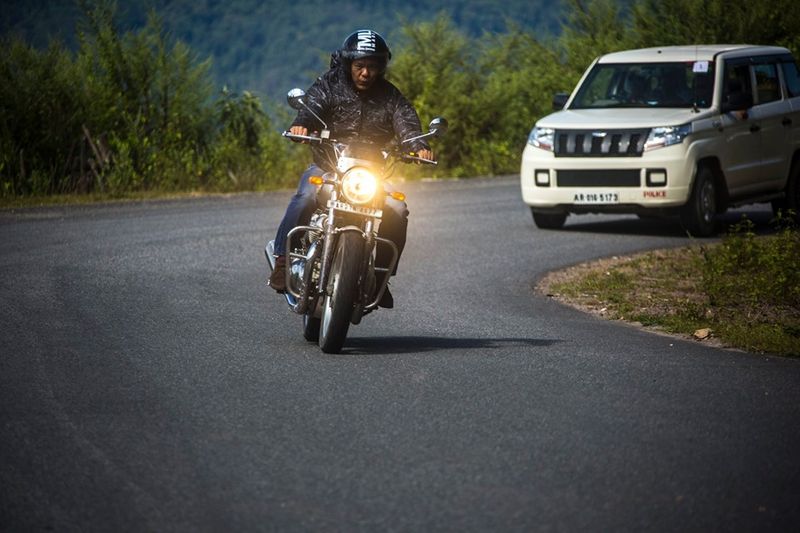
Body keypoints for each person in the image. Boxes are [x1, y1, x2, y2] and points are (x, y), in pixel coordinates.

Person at [268, 29, 434, 308]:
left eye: (372, 66)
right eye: (360, 66)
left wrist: (418, 145)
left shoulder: (391, 97)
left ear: (381, 67)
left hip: (370, 174)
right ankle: (284, 262)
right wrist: (302, 125)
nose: (366, 72)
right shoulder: (330, 85)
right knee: (307, 197)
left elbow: (406, 124)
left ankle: (380, 276)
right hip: (328, 166)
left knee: (397, 210)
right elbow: (311, 109)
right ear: (349, 65)